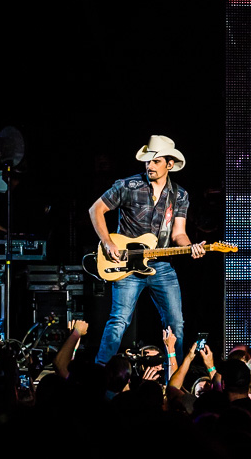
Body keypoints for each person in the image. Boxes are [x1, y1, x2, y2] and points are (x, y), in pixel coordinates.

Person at [90, 135, 206, 372]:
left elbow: (179, 235)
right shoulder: (127, 186)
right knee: (119, 320)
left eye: (156, 161)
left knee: (176, 324)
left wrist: (192, 246)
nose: (150, 166)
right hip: (126, 264)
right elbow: (95, 210)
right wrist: (108, 242)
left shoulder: (180, 195)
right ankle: (100, 374)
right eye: (148, 161)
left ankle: (175, 378)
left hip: (161, 265)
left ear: (169, 165)